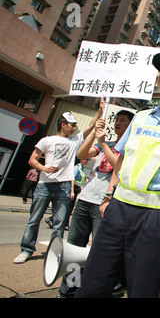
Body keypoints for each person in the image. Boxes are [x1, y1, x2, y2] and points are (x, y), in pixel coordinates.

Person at [74, 54, 160, 298]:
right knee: (92, 284)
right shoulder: (139, 117)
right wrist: (109, 196)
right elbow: (122, 160)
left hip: (158, 219)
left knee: (142, 289)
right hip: (117, 210)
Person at [56, 109, 133, 298]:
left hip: (106, 203)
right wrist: (94, 134)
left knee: (101, 251)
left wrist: (103, 144)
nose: (118, 123)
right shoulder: (106, 143)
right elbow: (82, 153)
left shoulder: (131, 148)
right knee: (74, 248)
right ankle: (69, 289)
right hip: (85, 199)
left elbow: (119, 166)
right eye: (117, 119)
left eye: (123, 120)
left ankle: (95, 291)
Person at [13, 107, 104, 264]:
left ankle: (54, 252)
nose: (75, 127)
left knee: (59, 223)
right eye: (72, 124)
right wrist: (44, 168)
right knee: (34, 219)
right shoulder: (46, 140)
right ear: (63, 124)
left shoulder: (75, 141)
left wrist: (100, 111)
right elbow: (32, 159)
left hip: (63, 186)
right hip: (44, 184)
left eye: (75, 125)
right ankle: (26, 249)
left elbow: (90, 125)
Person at [45, 158, 88, 230]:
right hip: (72, 188)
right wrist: (72, 191)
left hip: (76, 188)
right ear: (82, 160)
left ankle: (59, 221)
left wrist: (79, 187)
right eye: (86, 160)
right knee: (68, 207)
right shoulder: (77, 168)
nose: (87, 161)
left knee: (69, 207)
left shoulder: (81, 168)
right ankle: (55, 220)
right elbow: (72, 179)